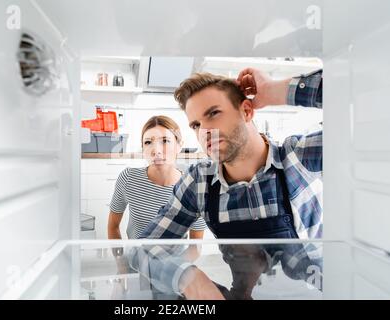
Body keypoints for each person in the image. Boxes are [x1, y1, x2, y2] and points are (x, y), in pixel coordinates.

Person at [134, 68, 323, 299]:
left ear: (246, 111)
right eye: (195, 125)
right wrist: (186, 277)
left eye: (213, 113)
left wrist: (277, 91)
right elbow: (141, 248)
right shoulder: (199, 182)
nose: (205, 132)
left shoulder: (297, 157)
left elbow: (368, 101)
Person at [107, 115, 206, 241]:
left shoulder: (193, 188)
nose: (156, 150)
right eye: (148, 142)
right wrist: (121, 259)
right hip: (135, 259)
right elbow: (113, 227)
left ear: (179, 145)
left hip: (176, 261)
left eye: (165, 141)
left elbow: (195, 248)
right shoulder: (128, 178)